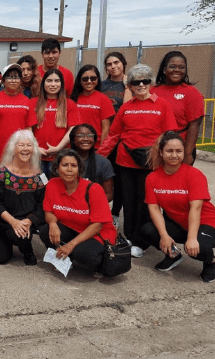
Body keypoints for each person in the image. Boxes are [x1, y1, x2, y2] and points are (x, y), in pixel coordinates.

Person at [99, 64, 178, 258]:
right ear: (130, 86)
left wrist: (170, 160)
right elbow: (114, 135)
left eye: (145, 81)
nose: (141, 85)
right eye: (136, 82)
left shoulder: (163, 105)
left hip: (151, 163)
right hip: (126, 162)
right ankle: (130, 237)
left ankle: (141, 241)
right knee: (128, 201)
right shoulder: (126, 107)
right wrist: (99, 157)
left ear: (151, 83)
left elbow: (168, 135)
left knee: (145, 203)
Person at [140, 132, 215, 282]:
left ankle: (210, 262)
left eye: (179, 151)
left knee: (198, 248)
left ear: (184, 152)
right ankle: (173, 256)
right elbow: (154, 208)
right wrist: (164, 236)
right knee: (148, 231)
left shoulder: (194, 175)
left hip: (208, 223)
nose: (174, 155)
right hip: (180, 224)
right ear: (161, 152)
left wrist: (191, 239)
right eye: (169, 151)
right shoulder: (152, 178)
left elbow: (195, 208)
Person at [38, 150, 118, 274]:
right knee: (45, 231)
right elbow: (48, 211)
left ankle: (101, 262)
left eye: (74, 166)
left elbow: (98, 225)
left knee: (83, 255)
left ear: (79, 169)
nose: (69, 169)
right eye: (65, 165)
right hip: (72, 228)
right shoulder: (52, 184)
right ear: (57, 169)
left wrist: (71, 244)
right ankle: (66, 258)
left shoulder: (94, 189)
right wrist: (53, 224)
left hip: (97, 233)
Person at [0, 130, 46, 266]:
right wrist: (13, 222)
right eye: (21, 145)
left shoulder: (40, 177)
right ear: (13, 149)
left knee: (20, 235)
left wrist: (28, 222)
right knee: (0, 258)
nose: (25, 149)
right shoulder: (1, 173)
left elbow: (42, 205)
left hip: (25, 223)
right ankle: (6, 240)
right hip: (2, 223)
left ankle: (26, 248)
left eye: (29, 145)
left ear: (34, 149)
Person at [152, 51, 204, 165]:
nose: (177, 70)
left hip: (179, 149)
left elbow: (194, 125)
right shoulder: (153, 91)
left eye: (181, 67)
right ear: (164, 69)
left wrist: (188, 153)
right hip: (156, 148)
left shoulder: (192, 93)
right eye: (172, 66)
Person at [29, 69, 80, 177]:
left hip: (61, 156)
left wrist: (58, 148)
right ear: (43, 84)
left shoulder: (69, 104)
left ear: (61, 84)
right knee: (38, 188)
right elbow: (28, 128)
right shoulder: (33, 102)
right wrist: (35, 147)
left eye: (57, 81)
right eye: (49, 81)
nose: (53, 84)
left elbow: (72, 129)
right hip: (36, 155)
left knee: (56, 187)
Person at [0, 64, 36, 165]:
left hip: (19, 152)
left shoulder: (27, 101)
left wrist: (27, 149)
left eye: (17, 77)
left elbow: (29, 128)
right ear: (3, 80)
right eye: (10, 77)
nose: (14, 80)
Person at [101, 52, 128, 228]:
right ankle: (100, 211)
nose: (113, 66)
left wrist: (128, 86)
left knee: (119, 179)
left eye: (116, 62)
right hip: (105, 137)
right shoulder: (102, 85)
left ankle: (115, 213)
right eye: (109, 64)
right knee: (104, 176)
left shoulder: (132, 84)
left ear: (123, 64)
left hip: (123, 139)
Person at [70, 65, 115, 148]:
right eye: (85, 79)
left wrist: (101, 150)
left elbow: (106, 128)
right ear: (79, 80)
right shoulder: (73, 98)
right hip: (75, 145)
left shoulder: (104, 99)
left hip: (95, 146)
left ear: (98, 79)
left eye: (93, 78)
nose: (89, 81)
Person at [69, 124, 114, 201]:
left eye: (90, 135)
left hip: (92, 206)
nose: (86, 139)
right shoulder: (63, 160)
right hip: (66, 206)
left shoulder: (103, 163)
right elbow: (53, 189)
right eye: (80, 135)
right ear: (73, 139)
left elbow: (109, 195)